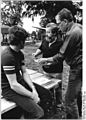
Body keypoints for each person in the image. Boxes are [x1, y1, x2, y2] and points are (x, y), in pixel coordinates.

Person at [38, 8, 82, 119]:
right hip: (81, 66)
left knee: (69, 99)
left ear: (65, 21)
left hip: (77, 67)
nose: (58, 27)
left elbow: (60, 56)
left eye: (59, 24)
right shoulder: (79, 27)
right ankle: (81, 113)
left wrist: (45, 60)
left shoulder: (72, 33)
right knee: (78, 93)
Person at [1, 25, 53, 119]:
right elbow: (13, 85)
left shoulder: (19, 54)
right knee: (39, 113)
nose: (25, 42)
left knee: (46, 95)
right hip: (9, 90)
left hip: (20, 83)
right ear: (20, 41)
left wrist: (33, 88)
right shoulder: (7, 57)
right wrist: (32, 95)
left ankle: (29, 114)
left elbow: (24, 72)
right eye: (24, 40)